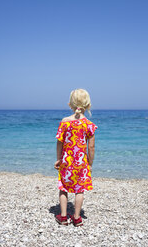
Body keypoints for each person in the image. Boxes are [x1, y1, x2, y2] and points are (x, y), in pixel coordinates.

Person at [54, 89, 98, 227]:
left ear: (70, 105)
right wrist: (90, 163)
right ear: (88, 106)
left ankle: (62, 217)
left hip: (66, 161)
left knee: (63, 188)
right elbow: (91, 148)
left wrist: (58, 159)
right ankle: (77, 218)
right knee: (80, 190)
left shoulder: (65, 122)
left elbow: (59, 143)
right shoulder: (89, 125)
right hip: (81, 163)